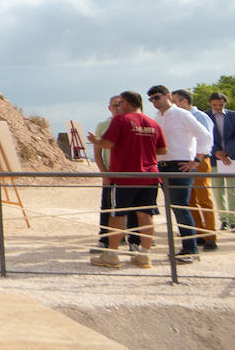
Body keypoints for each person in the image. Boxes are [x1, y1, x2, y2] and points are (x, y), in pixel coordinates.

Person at [91, 90, 167, 269]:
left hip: (125, 175)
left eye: (119, 104)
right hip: (150, 175)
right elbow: (163, 150)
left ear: (125, 103)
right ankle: (144, 255)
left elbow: (108, 144)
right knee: (146, 215)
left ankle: (112, 255)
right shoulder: (153, 123)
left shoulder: (121, 120)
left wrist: (96, 141)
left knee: (118, 214)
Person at [147, 85, 212, 263]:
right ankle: (187, 247)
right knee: (174, 207)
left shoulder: (182, 114)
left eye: (157, 97)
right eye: (151, 99)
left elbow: (205, 135)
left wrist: (197, 160)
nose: (154, 101)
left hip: (180, 165)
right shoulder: (158, 117)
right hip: (163, 165)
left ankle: (191, 249)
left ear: (167, 96)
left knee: (181, 206)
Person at [172, 89, 218, 252]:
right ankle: (198, 233)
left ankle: (211, 235)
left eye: (175, 101)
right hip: (185, 162)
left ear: (184, 101)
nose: (173, 105)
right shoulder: (179, 117)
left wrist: (197, 159)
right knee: (190, 200)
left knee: (204, 197)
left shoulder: (200, 117)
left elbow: (207, 140)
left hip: (199, 161)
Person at [205, 91, 235, 232]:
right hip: (214, 159)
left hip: (233, 158)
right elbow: (205, 137)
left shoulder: (234, 116)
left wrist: (226, 152)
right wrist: (217, 152)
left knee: (234, 191)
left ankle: (234, 221)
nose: (218, 107)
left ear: (225, 103)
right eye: (215, 104)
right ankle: (224, 220)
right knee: (218, 191)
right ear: (210, 104)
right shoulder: (206, 116)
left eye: (220, 104)